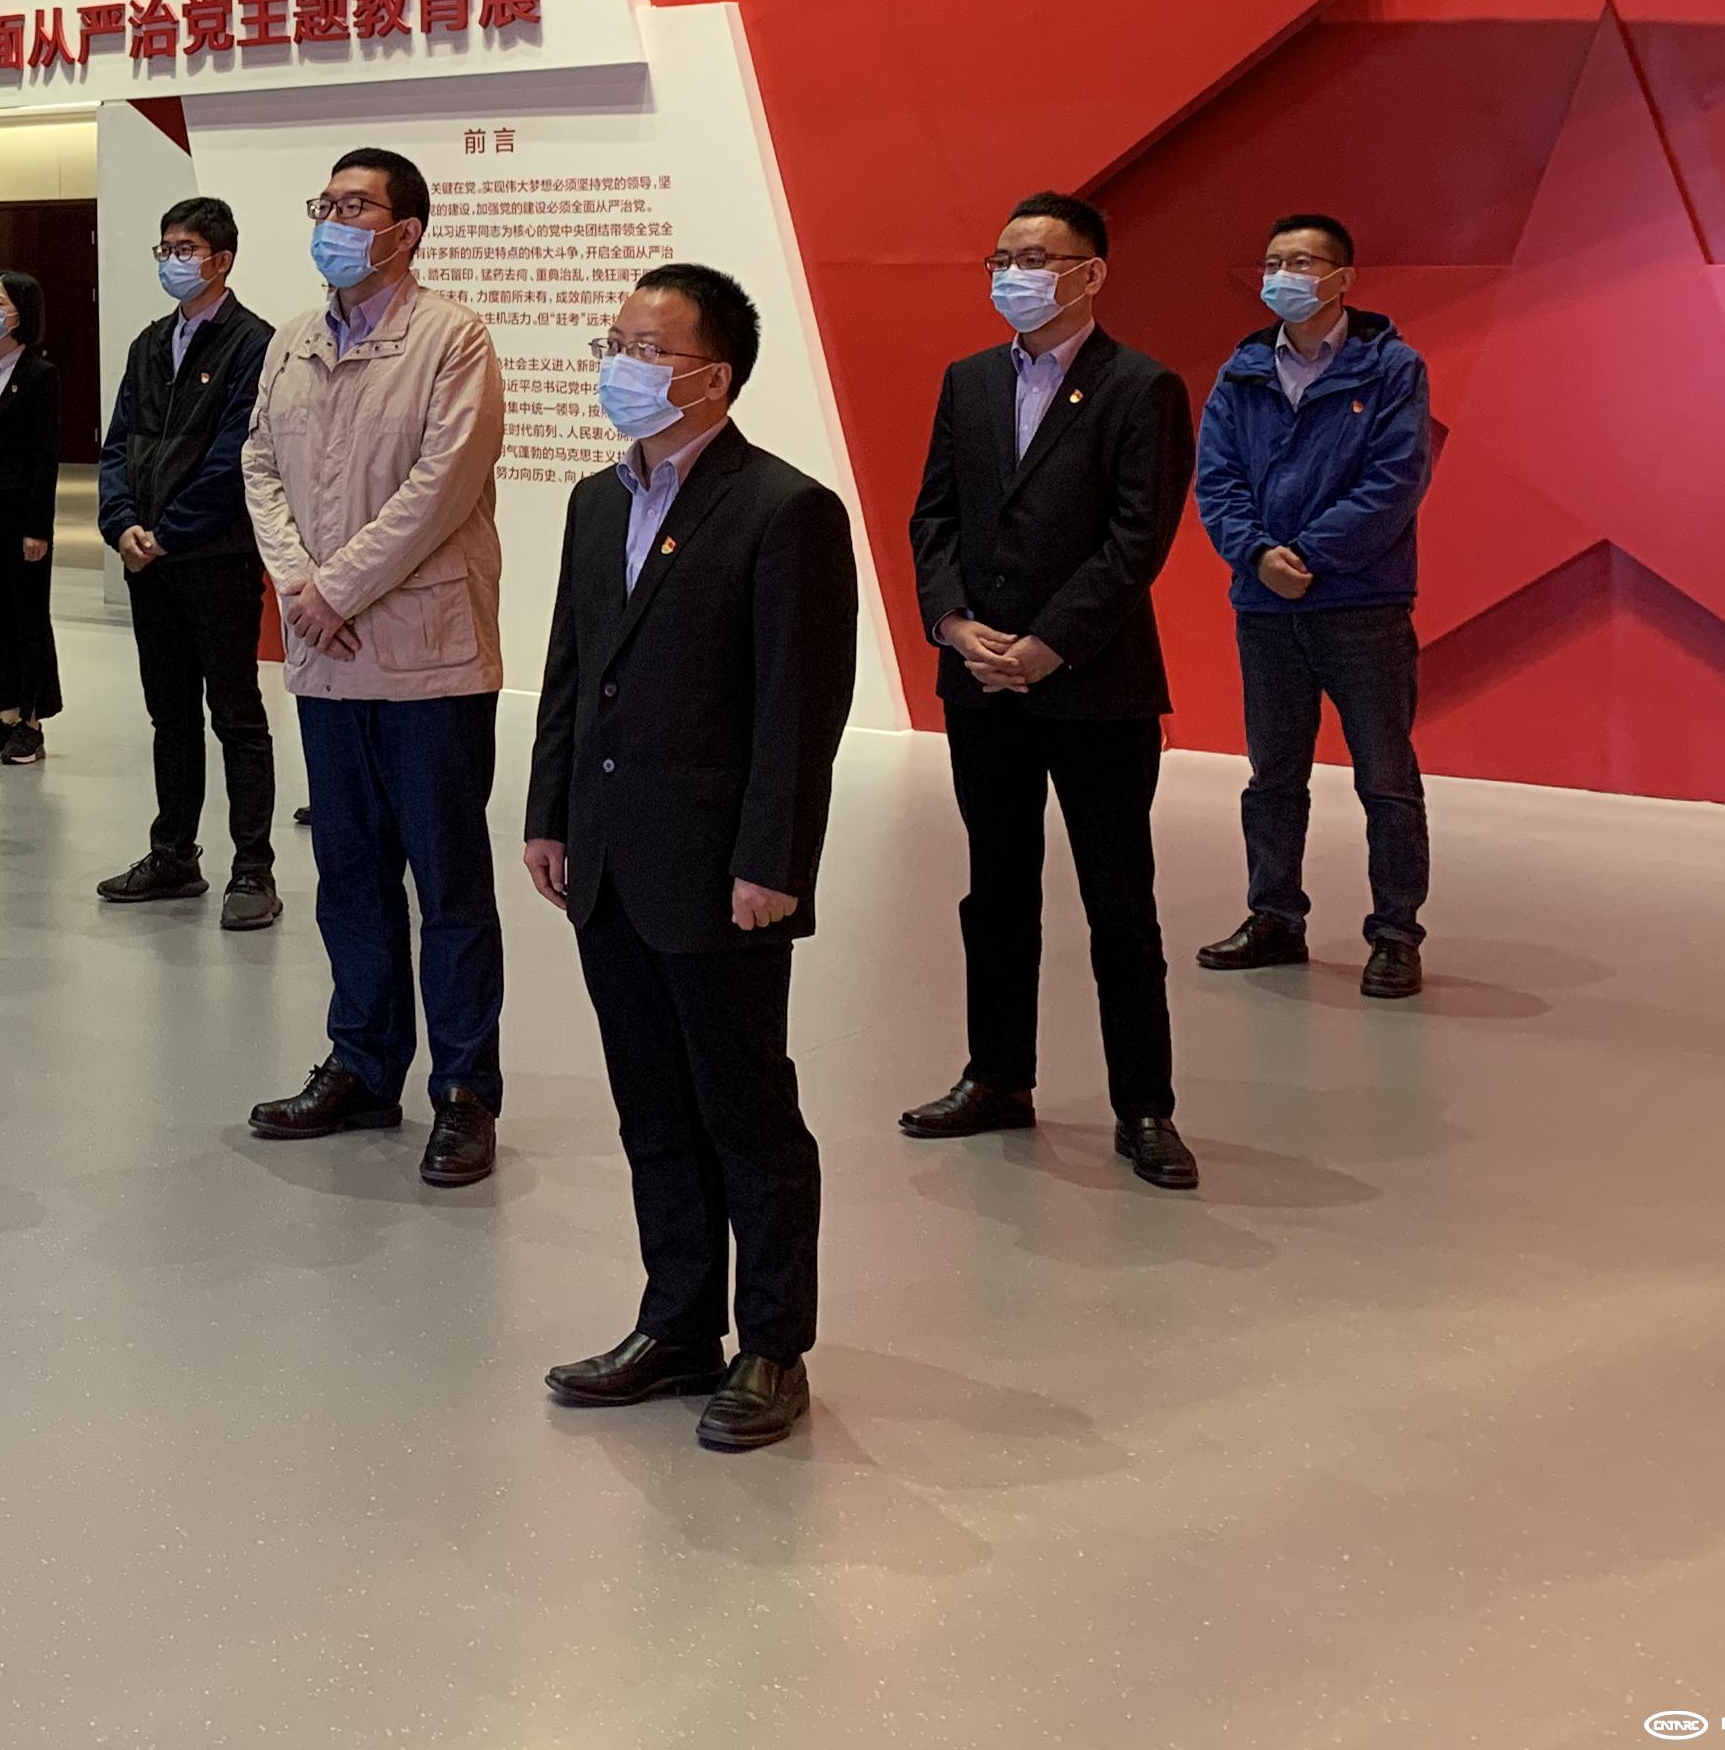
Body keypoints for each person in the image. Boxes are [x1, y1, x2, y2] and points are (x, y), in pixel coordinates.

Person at [526, 265, 857, 1454]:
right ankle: (676, 1324)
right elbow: (573, 669)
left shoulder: (784, 510)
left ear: (710, 377)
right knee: (652, 1109)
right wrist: (550, 813)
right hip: (611, 860)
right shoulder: (594, 502)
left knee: (746, 1111)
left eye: (645, 347)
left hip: (721, 871)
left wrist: (773, 861)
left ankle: (772, 1346)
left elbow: (797, 710)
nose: (618, 363)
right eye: (614, 340)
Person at [902, 192, 1201, 1189]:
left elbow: (1136, 541)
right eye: (1003, 258)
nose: (1015, 274)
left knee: (1120, 904)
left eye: (1037, 257)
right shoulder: (970, 380)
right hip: (980, 682)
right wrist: (952, 622)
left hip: (1095, 688)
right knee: (996, 891)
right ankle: (997, 1077)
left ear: (1091, 273)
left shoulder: (1142, 387)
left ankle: (1145, 1107)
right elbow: (934, 516)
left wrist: (1048, 645)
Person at [239, 148, 510, 1190]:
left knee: (448, 882)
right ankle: (362, 1063)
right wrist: (296, 581)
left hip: (426, 658)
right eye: (328, 202)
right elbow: (261, 464)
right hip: (327, 656)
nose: (335, 220)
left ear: (406, 231)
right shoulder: (294, 340)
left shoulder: (453, 338)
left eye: (357, 206)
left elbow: (443, 485)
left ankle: (465, 1091)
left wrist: (334, 589)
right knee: (349, 875)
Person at [1192, 212, 1436, 999]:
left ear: (1342, 279)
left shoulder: (1391, 368)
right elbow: (1217, 480)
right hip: (1265, 608)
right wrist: (1259, 556)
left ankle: (1395, 934)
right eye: (1273, 262)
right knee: (1272, 775)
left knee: (1385, 778)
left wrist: (1311, 557)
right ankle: (1274, 916)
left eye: (1301, 262)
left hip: (1363, 607)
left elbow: (1395, 480)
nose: (1283, 276)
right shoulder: (1241, 373)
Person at [96, 197, 281, 929]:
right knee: (168, 714)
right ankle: (173, 854)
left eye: (186, 249)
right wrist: (121, 524)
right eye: (165, 248)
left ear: (221, 260)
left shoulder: (254, 344)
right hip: (150, 561)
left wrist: (168, 532)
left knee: (236, 715)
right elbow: (119, 443)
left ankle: (253, 868)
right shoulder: (150, 343)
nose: (173, 260)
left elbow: (237, 456)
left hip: (216, 558)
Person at [0, 270, 63, 766]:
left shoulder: (40, 375)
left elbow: (45, 457)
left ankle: (32, 721)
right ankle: (6, 715)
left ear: (21, 313)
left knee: (29, 621)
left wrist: (37, 528)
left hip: (20, 518)